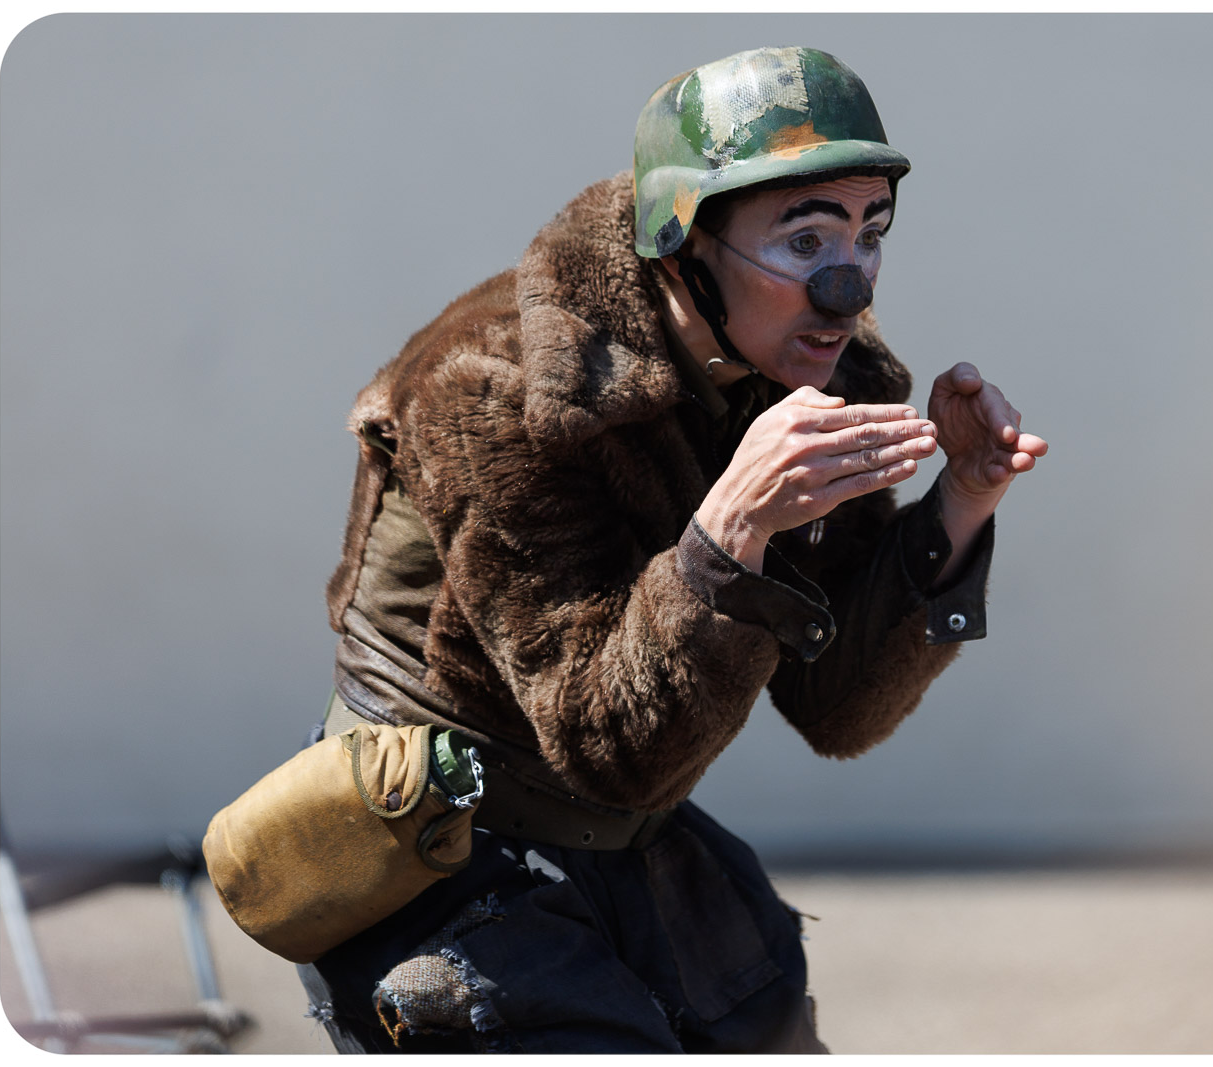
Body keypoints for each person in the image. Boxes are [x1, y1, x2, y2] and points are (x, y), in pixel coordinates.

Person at [296, 45, 1046, 1053]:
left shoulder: (820, 376)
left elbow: (836, 709)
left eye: (870, 233)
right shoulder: (499, 386)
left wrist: (960, 501)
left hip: (628, 843)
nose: (846, 285)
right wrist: (729, 531)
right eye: (805, 238)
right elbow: (608, 747)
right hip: (438, 853)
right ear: (677, 239)